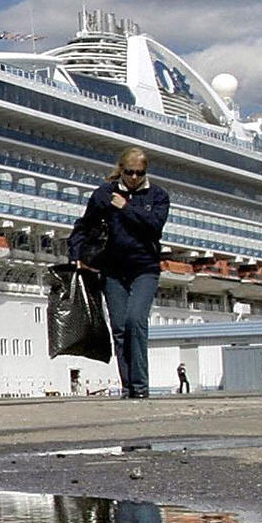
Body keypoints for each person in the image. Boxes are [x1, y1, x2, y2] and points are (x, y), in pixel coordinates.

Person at [70, 145, 170, 399]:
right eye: (129, 172)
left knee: (136, 320)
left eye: (139, 172)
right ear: (121, 170)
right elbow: (84, 225)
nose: (134, 178)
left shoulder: (158, 196)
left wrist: (125, 208)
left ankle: (140, 387)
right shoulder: (103, 195)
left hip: (145, 268)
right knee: (120, 328)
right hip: (112, 269)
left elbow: (155, 227)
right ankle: (129, 387)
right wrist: (77, 256)